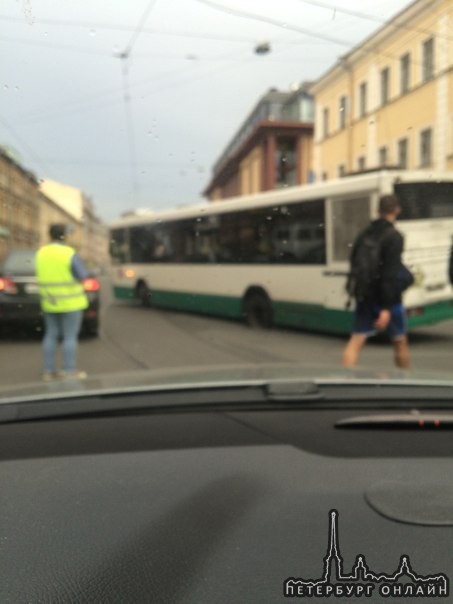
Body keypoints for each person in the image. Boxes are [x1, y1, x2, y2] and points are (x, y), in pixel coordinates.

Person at [342, 194, 410, 369]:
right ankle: (407, 382)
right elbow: (390, 274)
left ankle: (346, 381)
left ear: (378, 210)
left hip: (365, 296)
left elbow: (354, 265)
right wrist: (386, 308)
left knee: (356, 340)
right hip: (390, 300)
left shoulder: (364, 233)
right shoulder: (395, 237)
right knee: (399, 341)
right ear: (397, 210)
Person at [35, 224, 89, 381]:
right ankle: (69, 371)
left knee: (50, 335)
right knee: (70, 337)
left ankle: (48, 371)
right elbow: (82, 275)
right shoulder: (69, 253)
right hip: (71, 303)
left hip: (49, 302)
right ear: (64, 236)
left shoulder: (41, 253)